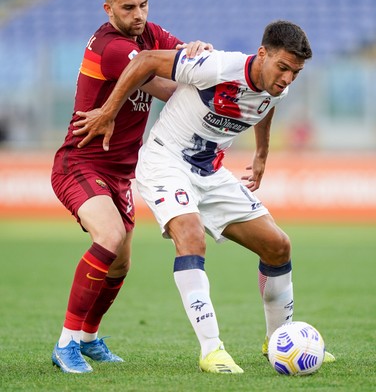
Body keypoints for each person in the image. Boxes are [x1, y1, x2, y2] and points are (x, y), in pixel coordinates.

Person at [73, 20, 335, 374]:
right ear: (262, 54)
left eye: (296, 72)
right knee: (192, 237)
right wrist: (107, 113)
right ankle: (212, 350)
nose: (288, 79)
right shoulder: (218, 66)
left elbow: (265, 105)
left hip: (210, 172)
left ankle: (278, 341)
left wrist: (261, 154)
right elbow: (146, 60)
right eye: (283, 67)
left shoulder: (277, 87)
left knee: (278, 246)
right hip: (166, 162)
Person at [50, 0, 212, 374]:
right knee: (109, 237)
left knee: (119, 265)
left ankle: (88, 338)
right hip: (82, 161)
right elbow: (168, 87)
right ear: (108, 9)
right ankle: (66, 342)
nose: (138, 14)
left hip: (122, 171)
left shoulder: (149, 34)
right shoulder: (112, 47)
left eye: (143, 5)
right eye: (128, 7)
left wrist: (198, 52)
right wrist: (200, 74)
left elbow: (189, 58)